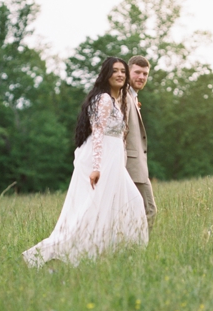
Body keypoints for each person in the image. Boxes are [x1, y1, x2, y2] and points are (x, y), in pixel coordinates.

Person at [22, 57, 148, 267]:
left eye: (123, 71)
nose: (120, 75)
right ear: (106, 74)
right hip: (104, 161)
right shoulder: (105, 99)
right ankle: (51, 255)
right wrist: (96, 167)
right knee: (93, 211)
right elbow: (97, 132)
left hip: (114, 161)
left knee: (120, 206)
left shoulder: (116, 99)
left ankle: (108, 254)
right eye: (115, 71)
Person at [126, 55, 156, 227]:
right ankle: (141, 250)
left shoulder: (133, 97)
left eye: (145, 74)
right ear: (128, 71)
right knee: (149, 211)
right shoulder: (123, 96)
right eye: (137, 72)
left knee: (136, 212)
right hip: (130, 166)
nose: (141, 77)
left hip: (137, 165)